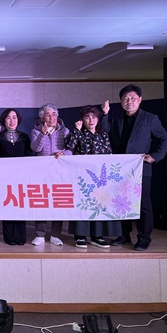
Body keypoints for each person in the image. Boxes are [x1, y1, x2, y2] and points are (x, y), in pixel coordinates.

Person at [102, 84, 167, 251]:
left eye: (132, 98)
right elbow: (103, 133)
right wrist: (105, 114)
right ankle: (124, 235)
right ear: (121, 101)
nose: (129, 101)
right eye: (125, 98)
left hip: (141, 168)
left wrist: (154, 156)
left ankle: (144, 237)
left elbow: (165, 139)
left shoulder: (150, 118)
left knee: (143, 204)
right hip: (119, 169)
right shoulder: (116, 119)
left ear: (140, 100)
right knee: (120, 203)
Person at [65, 105, 122, 248]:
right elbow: (70, 146)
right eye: (87, 117)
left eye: (93, 117)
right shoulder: (79, 133)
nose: (91, 120)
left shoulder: (103, 134)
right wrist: (76, 131)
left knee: (98, 205)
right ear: (82, 119)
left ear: (98, 119)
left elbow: (109, 153)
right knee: (83, 205)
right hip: (82, 177)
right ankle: (80, 236)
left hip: (100, 178)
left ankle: (97, 236)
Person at [0, 108, 35, 246]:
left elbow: (30, 156)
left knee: (20, 205)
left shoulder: (24, 137)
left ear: (18, 120)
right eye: (8, 118)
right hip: (5, 177)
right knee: (8, 204)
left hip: (21, 177)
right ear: (4, 120)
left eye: (14, 117)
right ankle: (9, 237)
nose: (12, 120)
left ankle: (20, 237)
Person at [30, 103, 71, 247]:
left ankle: (55, 235)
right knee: (41, 202)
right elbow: (36, 148)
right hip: (42, 172)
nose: (52, 117)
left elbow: (71, 149)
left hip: (60, 172)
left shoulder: (65, 131)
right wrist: (43, 134)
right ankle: (40, 234)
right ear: (42, 118)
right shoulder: (36, 131)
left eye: (54, 114)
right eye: (48, 115)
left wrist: (65, 153)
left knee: (58, 202)